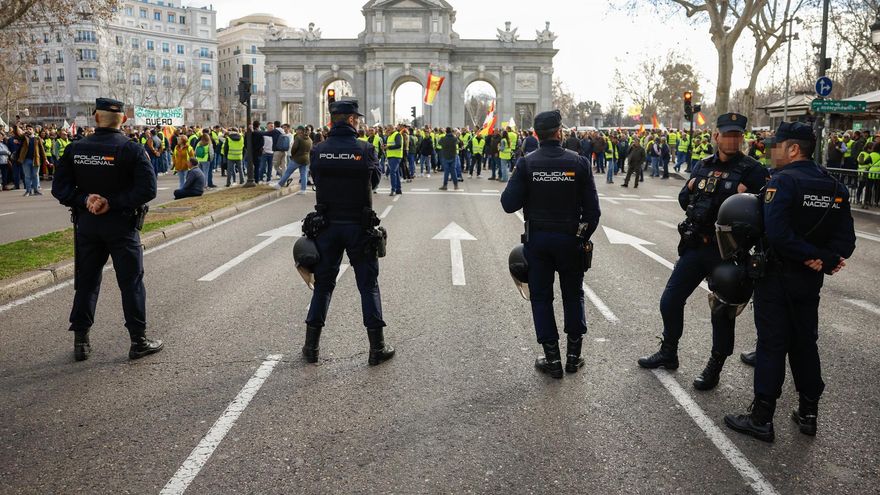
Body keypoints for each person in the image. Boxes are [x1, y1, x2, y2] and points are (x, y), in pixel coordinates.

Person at [724, 122, 856, 443]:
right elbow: (847, 241)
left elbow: (779, 235)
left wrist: (809, 255)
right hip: (809, 281)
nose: (772, 152)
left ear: (793, 149)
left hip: (776, 277)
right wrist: (822, 259)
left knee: (771, 344)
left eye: (777, 146)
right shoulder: (834, 186)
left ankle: (761, 418)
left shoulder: (781, 183)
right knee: (804, 343)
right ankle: (808, 413)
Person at [637, 113, 770, 390]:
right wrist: (691, 190)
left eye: (737, 135)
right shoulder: (702, 165)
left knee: (722, 312)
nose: (733, 139)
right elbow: (686, 199)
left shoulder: (753, 170)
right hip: (697, 245)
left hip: (729, 252)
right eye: (728, 134)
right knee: (670, 300)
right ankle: (669, 351)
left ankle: (715, 366)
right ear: (716, 136)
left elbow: (763, 214)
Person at [51, 98, 163, 361]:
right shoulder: (132, 150)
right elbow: (147, 189)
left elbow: (60, 188)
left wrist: (85, 200)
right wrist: (113, 203)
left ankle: (81, 340)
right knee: (131, 283)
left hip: (87, 224)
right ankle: (138, 341)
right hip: (121, 225)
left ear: (95, 118)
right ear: (123, 120)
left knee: (87, 282)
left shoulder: (75, 148)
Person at [501, 110, 601, 379]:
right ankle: (573, 357)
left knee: (542, 298)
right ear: (559, 133)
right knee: (573, 295)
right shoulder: (579, 163)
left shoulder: (526, 164)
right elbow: (593, 213)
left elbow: (508, 204)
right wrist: (581, 237)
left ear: (536, 134)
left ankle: (552, 360)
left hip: (539, 242)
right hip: (571, 240)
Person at [301, 100, 394, 366]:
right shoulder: (366, 149)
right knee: (368, 287)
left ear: (333, 120)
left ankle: (311, 348)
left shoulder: (319, 150)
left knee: (323, 287)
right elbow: (374, 182)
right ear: (352, 120)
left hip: (327, 227)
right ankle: (377, 349)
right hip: (359, 227)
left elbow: (316, 179)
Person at [275, 125, 312, 194]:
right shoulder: (310, 140)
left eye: (298, 129)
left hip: (297, 158)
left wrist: (293, 155)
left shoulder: (298, 138)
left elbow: (294, 148)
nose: (296, 131)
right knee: (303, 174)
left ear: (301, 130)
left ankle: (279, 185)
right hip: (306, 159)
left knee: (288, 172)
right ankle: (303, 190)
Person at [386, 123, 404, 196]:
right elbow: (390, 145)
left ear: (392, 129)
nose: (387, 131)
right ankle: (398, 189)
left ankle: (393, 189)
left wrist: (388, 147)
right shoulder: (390, 136)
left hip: (396, 156)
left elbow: (398, 145)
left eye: (388, 129)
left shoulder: (397, 134)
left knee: (392, 172)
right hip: (391, 156)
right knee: (396, 173)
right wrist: (386, 146)